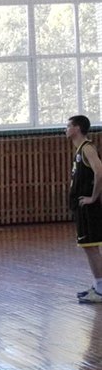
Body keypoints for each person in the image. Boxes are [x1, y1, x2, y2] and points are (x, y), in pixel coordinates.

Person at [66, 115, 102, 303]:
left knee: (92, 248)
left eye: (68, 126)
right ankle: (97, 285)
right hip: (81, 207)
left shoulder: (87, 148)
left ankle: (101, 290)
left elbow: (100, 171)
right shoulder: (80, 149)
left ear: (77, 128)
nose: (65, 129)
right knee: (89, 248)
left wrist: (93, 197)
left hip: (88, 207)